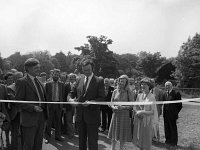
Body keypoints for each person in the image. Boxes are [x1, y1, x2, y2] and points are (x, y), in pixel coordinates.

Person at [15, 58, 48, 150]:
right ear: (28, 68)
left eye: (39, 67)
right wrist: (33, 107)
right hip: (29, 118)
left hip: (41, 117)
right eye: (36, 68)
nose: (39, 69)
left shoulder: (40, 81)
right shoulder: (21, 82)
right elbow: (18, 101)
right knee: (28, 145)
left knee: (38, 144)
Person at [72, 59, 105, 150]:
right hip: (80, 116)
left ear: (93, 69)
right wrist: (71, 99)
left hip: (92, 117)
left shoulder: (99, 81)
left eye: (88, 70)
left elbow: (102, 98)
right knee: (81, 141)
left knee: (92, 141)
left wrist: (91, 102)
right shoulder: (79, 79)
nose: (86, 72)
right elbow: (72, 93)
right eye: (84, 70)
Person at [108, 75, 134, 150]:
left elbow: (132, 105)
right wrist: (113, 107)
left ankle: (121, 149)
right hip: (115, 114)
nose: (121, 82)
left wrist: (123, 107)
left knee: (122, 136)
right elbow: (111, 103)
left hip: (124, 115)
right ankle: (112, 148)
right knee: (113, 135)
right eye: (120, 81)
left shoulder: (129, 91)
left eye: (123, 81)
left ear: (126, 82)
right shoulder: (115, 91)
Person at [133, 77, 158, 150]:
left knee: (146, 141)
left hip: (147, 122)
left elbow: (153, 111)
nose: (142, 86)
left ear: (149, 86)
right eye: (142, 84)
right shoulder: (139, 95)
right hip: (139, 120)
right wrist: (137, 112)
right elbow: (135, 107)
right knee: (139, 139)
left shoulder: (152, 97)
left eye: (145, 84)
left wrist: (143, 112)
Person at [45, 69, 66, 143]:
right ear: (52, 75)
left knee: (58, 121)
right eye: (54, 74)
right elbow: (45, 95)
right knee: (49, 122)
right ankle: (47, 137)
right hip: (50, 105)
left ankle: (58, 136)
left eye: (57, 75)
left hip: (58, 105)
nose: (56, 76)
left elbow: (62, 95)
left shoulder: (62, 84)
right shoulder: (48, 84)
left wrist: (62, 105)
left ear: (59, 75)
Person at [7, 71, 23, 150]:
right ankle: (14, 147)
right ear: (16, 79)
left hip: (24, 113)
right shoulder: (10, 88)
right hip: (15, 113)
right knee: (15, 132)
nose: (22, 79)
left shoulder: (25, 86)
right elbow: (14, 101)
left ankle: (22, 146)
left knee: (23, 131)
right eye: (20, 77)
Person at [163, 81, 182, 147]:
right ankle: (168, 141)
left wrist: (175, 112)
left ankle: (174, 142)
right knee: (166, 128)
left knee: (173, 128)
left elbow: (179, 105)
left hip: (172, 115)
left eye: (168, 85)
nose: (167, 87)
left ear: (171, 86)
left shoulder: (176, 93)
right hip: (165, 115)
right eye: (166, 85)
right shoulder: (165, 94)